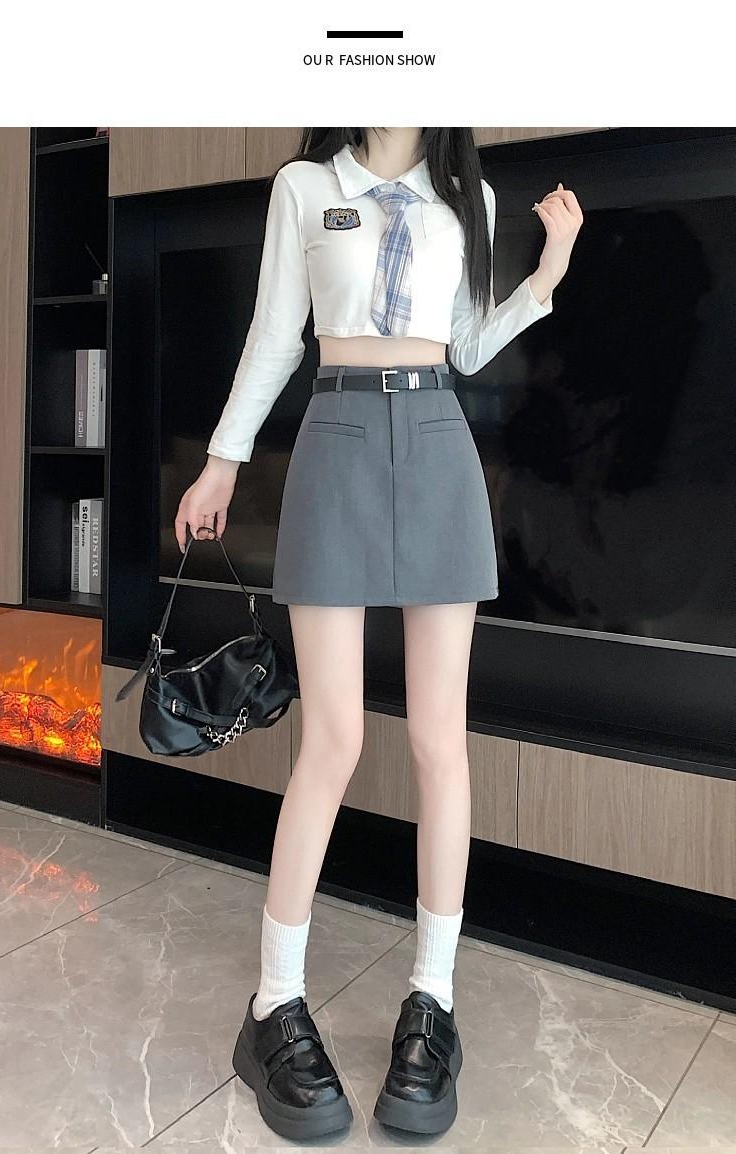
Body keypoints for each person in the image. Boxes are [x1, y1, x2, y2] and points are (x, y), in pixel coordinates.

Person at [174, 127, 583, 1141]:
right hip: (339, 436)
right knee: (335, 739)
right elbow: (277, 333)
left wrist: (546, 278)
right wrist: (224, 460)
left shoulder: (466, 198)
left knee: (442, 741)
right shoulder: (306, 186)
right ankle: (274, 1002)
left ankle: (432, 1003)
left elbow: (466, 346)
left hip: (439, 441)